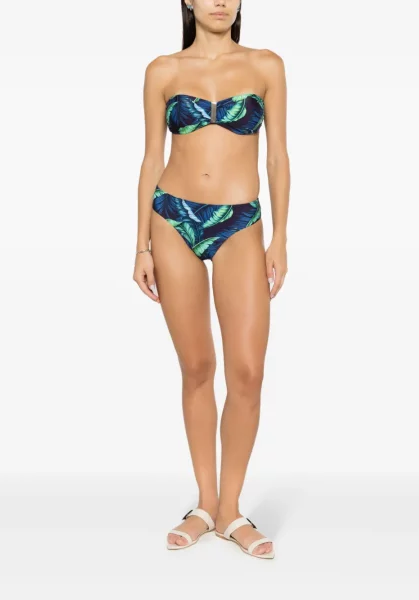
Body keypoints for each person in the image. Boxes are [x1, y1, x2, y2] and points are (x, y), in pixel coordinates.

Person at [133, 0, 290, 559]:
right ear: (188, 1)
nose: (221, 0)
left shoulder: (266, 65)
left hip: (240, 221)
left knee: (247, 371)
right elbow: (151, 159)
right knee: (197, 367)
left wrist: (279, 238)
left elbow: (277, 158)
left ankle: (231, 511)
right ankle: (205, 504)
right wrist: (141, 245)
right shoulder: (163, 70)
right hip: (172, 218)